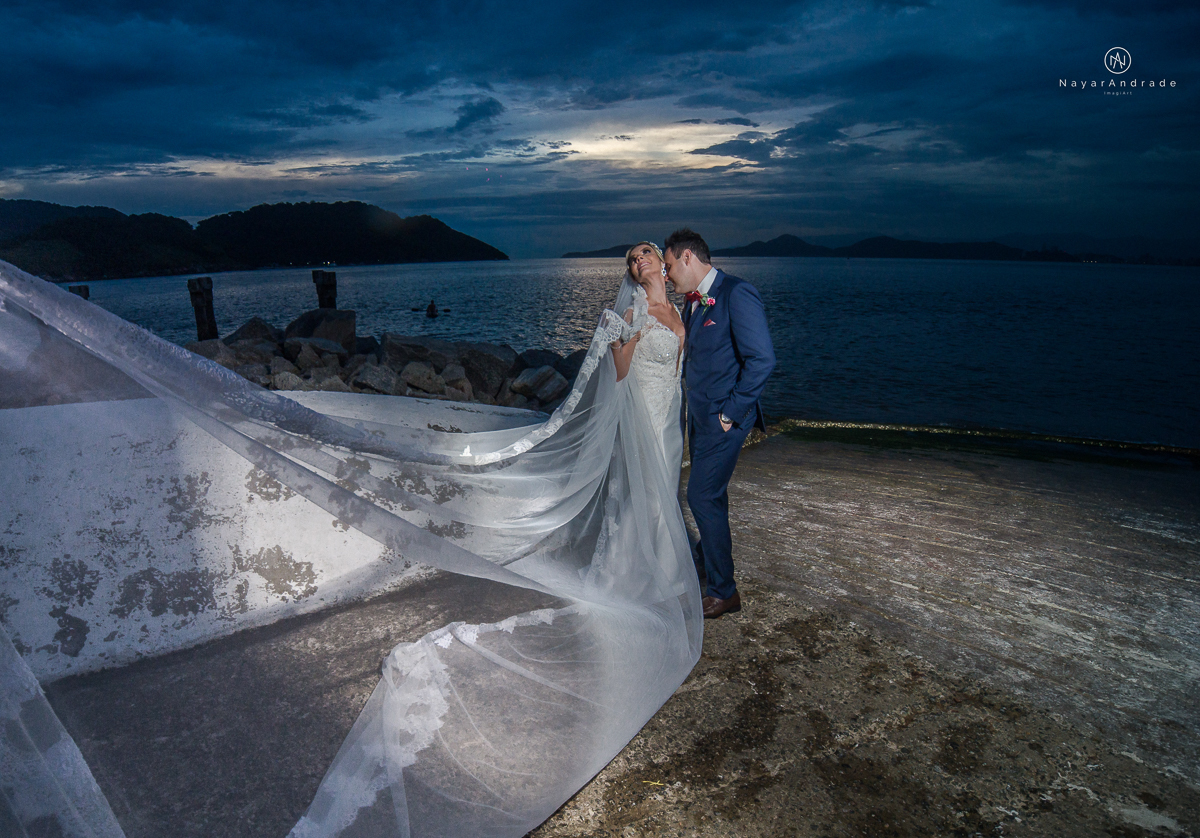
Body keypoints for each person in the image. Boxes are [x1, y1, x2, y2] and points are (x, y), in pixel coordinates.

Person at [663, 228, 775, 619]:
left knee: (700, 496)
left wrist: (730, 413)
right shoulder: (695, 303)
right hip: (702, 417)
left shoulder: (735, 293)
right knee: (712, 493)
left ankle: (724, 591)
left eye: (669, 265)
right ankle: (705, 557)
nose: (667, 274)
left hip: (725, 418)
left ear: (688, 257)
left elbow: (762, 360)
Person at [609, 242, 686, 476]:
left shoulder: (677, 311)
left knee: (669, 478)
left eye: (645, 252)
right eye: (633, 259)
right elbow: (620, 374)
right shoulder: (634, 313)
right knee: (651, 484)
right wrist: (615, 343)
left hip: (674, 408)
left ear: (663, 263)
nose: (638, 259)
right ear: (632, 273)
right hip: (645, 412)